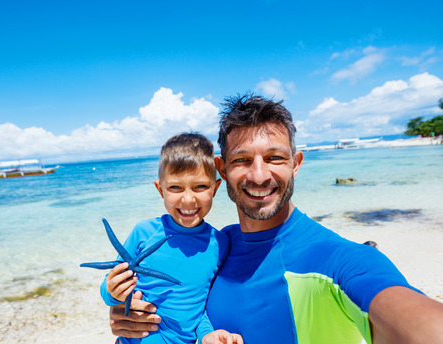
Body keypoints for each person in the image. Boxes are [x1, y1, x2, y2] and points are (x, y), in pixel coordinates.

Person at [108, 95, 443, 343]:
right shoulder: (217, 245)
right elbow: (172, 300)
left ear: (296, 163)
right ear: (222, 169)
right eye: (242, 160)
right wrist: (129, 316)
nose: (258, 174)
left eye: (275, 158)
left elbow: (418, 321)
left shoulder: (336, 258)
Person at [100, 133, 243, 344]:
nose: (187, 199)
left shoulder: (220, 244)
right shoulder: (143, 232)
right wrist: (112, 292)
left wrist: (206, 335)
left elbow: (201, 308)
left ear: (215, 188)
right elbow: (111, 285)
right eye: (175, 187)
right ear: (160, 190)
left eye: (200, 186)